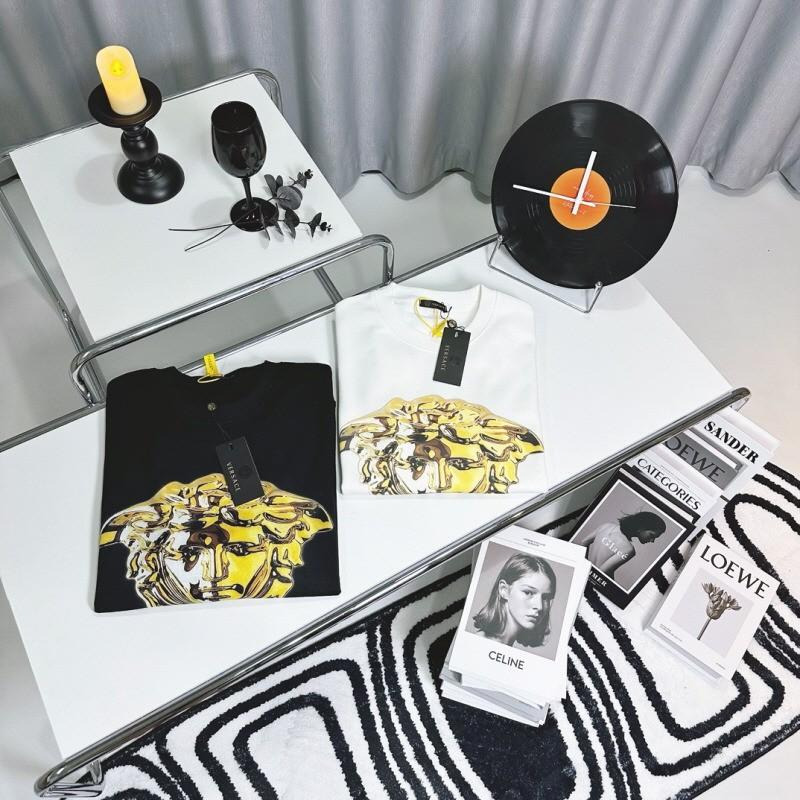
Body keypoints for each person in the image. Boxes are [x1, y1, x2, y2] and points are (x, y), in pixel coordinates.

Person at [472, 553, 556, 648]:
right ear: (504, 590)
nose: (539, 606)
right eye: (528, 592)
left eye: (545, 598)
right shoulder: (477, 644)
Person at [576, 511, 666, 579]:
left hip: (581, 573)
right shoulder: (628, 549)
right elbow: (602, 573)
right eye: (652, 535)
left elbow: (583, 542)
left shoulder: (607, 526)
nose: (652, 540)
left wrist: (584, 565)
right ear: (642, 527)